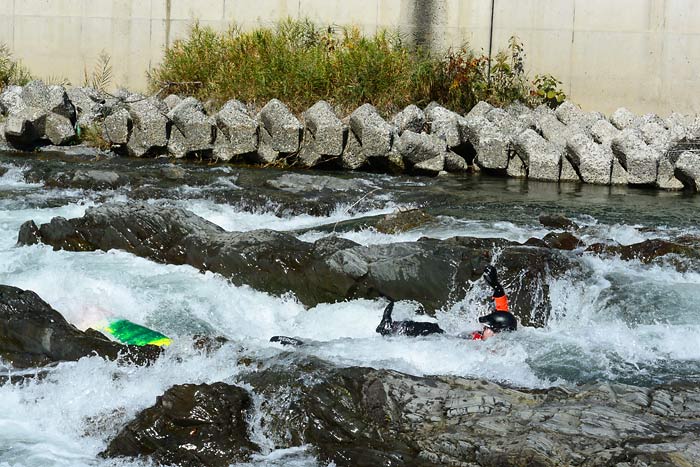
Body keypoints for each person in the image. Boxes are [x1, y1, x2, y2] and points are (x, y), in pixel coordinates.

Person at [375, 265, 517, 340]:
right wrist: (495, 285)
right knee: (433, 328)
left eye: (487, 328)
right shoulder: (504, 325)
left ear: (497, 332)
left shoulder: (493, 348)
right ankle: (391, 327)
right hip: (452, 338)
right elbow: (502, 308)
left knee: (433, 332)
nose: (483, 328)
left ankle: (391, 330)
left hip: (451, 344)